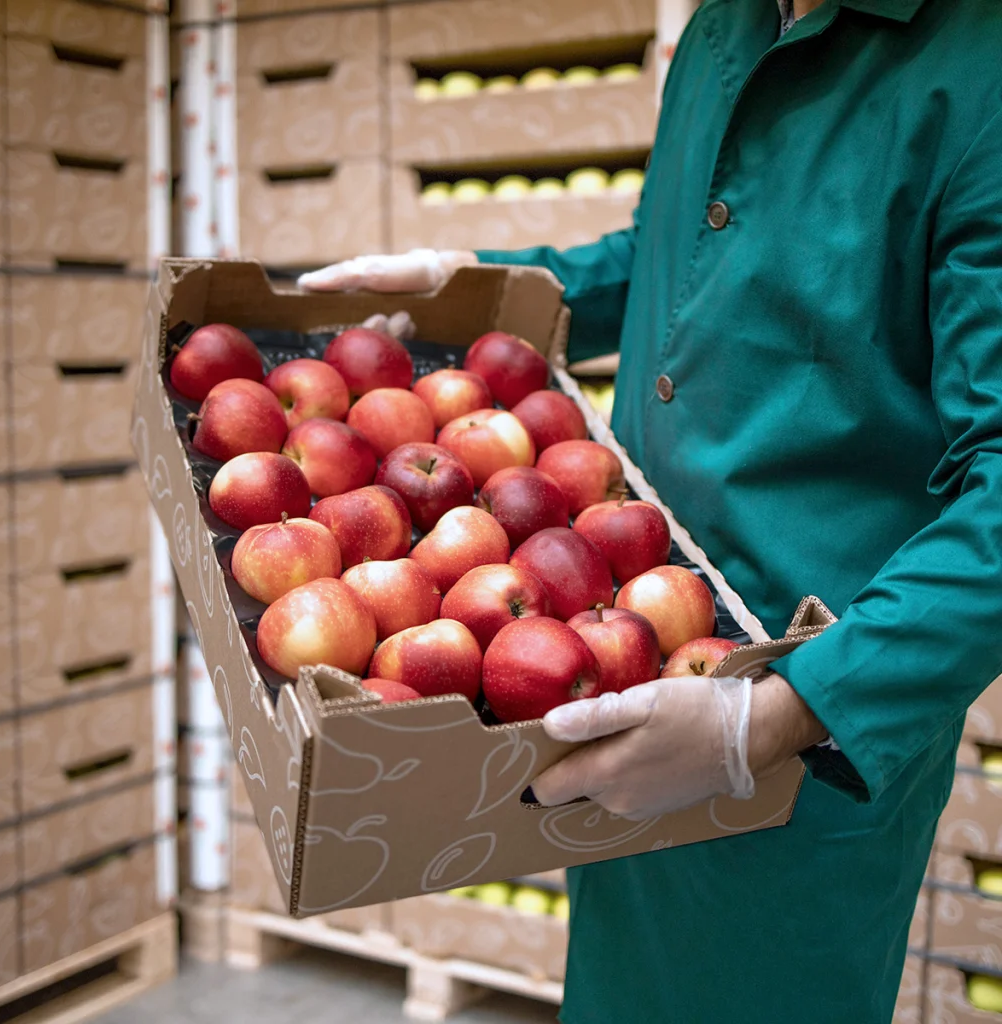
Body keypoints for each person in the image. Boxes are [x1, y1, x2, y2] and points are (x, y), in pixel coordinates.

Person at [299, 0, 1002, 1019]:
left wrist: (763, 720)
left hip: (804, 733)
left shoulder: (978, 69)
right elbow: (672, 256)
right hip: (619, 650)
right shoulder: (725, 27)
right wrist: (495, 289)